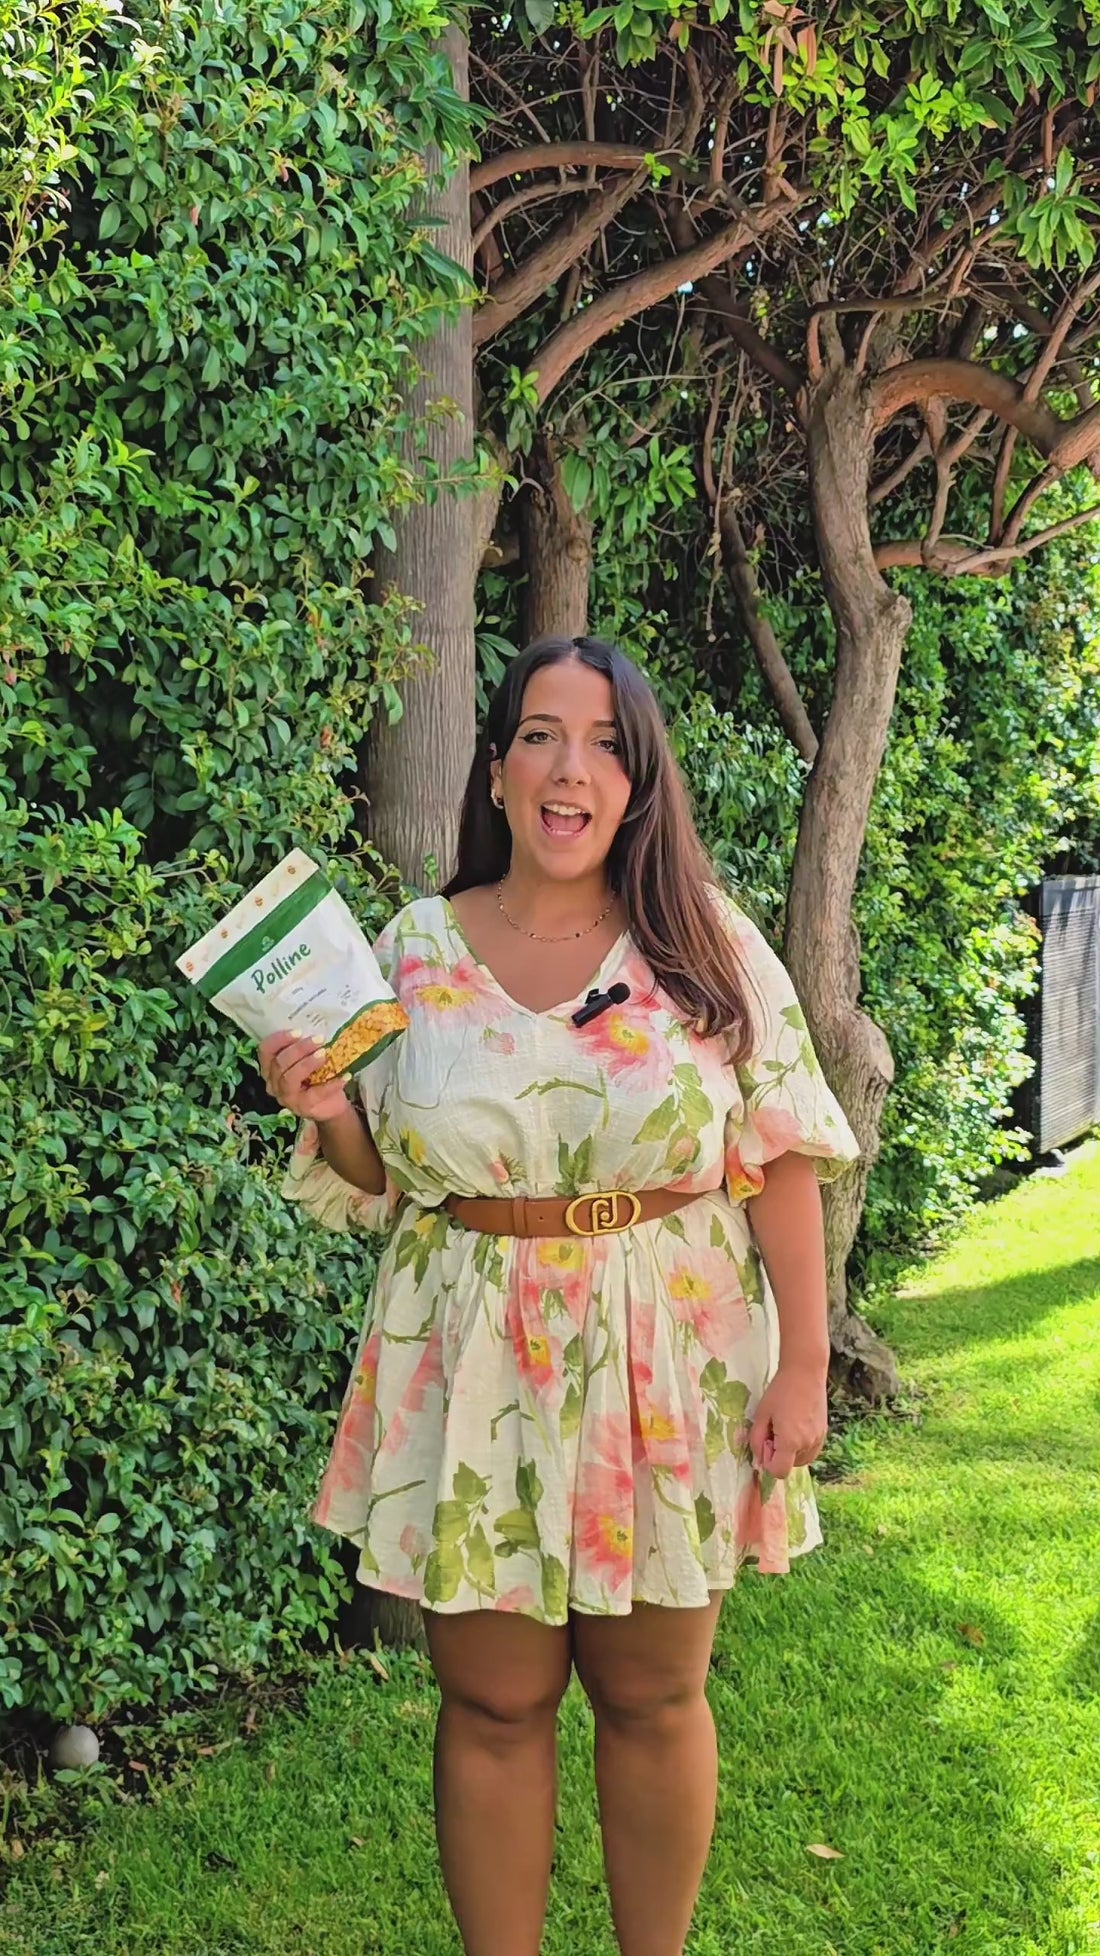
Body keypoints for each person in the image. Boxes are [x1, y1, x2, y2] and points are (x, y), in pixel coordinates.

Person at [258, 635, 859, 1956]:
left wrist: (805, 1364)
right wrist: (328, 1110)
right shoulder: (415, 950)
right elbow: (382, 1172)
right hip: (473, 1356)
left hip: (671, 1356)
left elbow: (781, 1156)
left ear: (638, 782)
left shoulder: (706, 944)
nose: (568, 767)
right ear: (496, 770)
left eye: (602, 742)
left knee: (652, 1699)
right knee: (490, 1705)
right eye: (539, 734)